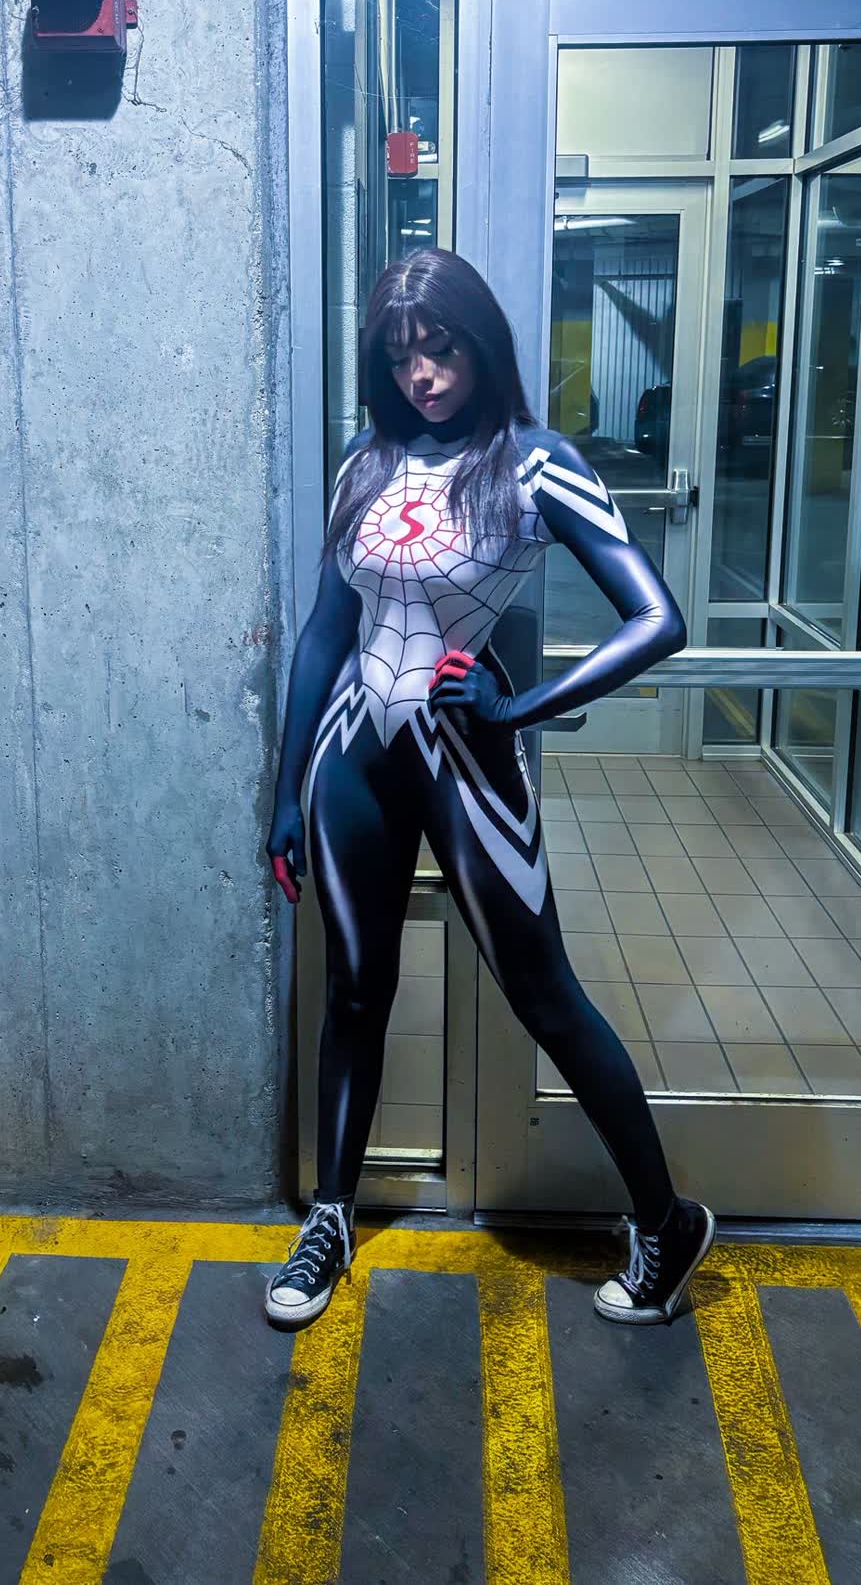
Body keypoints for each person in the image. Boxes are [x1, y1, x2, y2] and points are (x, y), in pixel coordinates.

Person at [263, 248, 715, 1330]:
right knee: (355, 991)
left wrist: (519, 705)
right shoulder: (364, 462)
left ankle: (666, 1222)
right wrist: (283, 795)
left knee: (544, 994)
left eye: (440, 347)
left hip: (467, 756)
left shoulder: (534, 463)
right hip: (351, 755)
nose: (422, 374)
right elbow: (324, 633)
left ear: (480, 343)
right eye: (399, 355)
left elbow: (658, 618)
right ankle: (330, 1216)